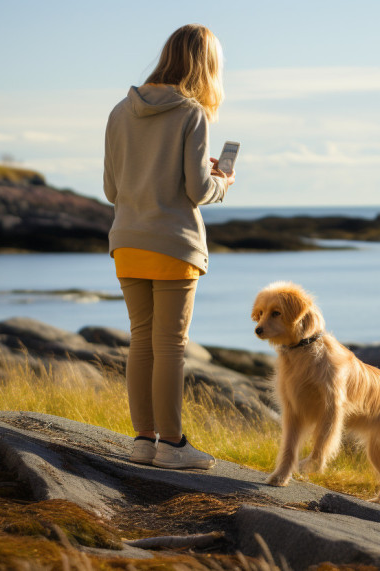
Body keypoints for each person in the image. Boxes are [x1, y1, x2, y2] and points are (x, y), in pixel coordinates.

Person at [103, 24, 234, 470]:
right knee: (171, 346)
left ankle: (143, 442)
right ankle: (173, 446)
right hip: (173, 244)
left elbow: (109, 188)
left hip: (126, 241)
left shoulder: (121, 111)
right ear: (206, 64)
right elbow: (198, 191)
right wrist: (223, 183)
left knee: (142, 341)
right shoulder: (191, 113)